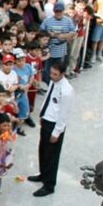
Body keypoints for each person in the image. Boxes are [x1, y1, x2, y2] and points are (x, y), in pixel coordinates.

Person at [28, 61, 74, 197]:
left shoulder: (67, 91)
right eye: (51, 73)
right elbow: (49, 99)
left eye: (55, 74)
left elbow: (64, 113)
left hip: (55, 124)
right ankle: (43, 174)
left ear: (62, 74)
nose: (52, 76)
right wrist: (43, 114)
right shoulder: (54, 83)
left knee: (52, 155)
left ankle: (49, 184)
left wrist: (57, 131)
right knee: (43, 150)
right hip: (47, 119)